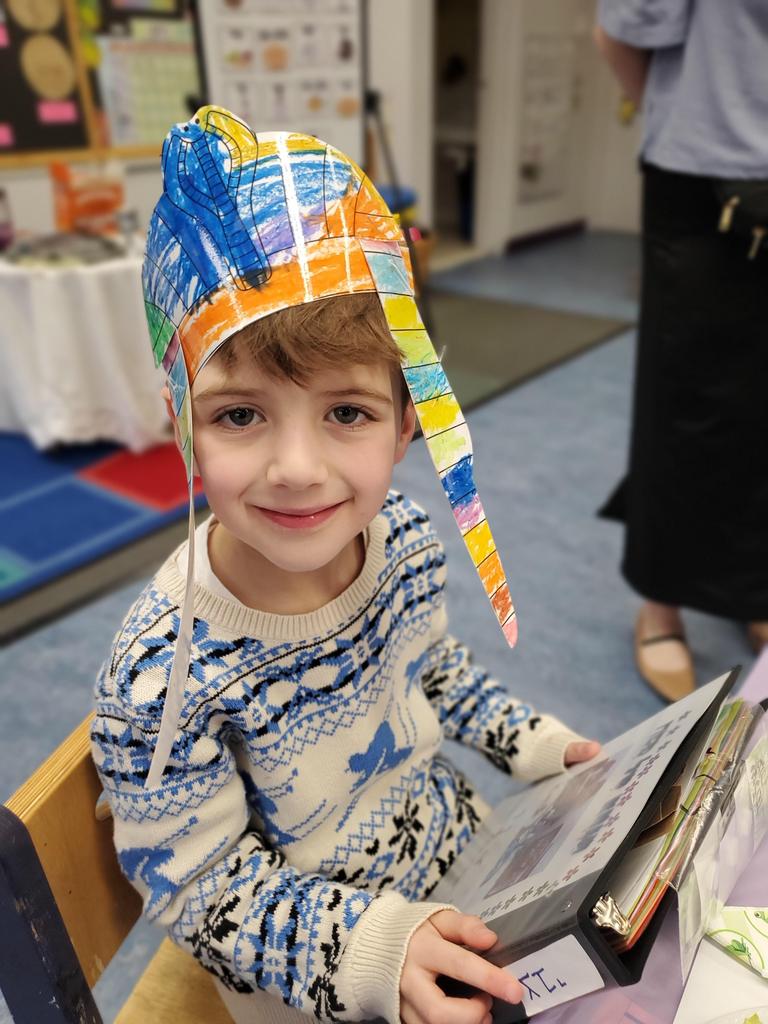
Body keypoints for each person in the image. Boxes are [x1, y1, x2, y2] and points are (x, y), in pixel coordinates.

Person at [91, 107, 600, 1024]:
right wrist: (375, 950)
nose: (296, 468)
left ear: (408, 425)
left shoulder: (401, 536)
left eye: (347, 413)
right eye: (240, 414)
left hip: (464, 866)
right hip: (326, 980)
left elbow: (435, 672)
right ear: (184, 426)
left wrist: (538, 745)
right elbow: (196, 886)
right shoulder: (160, 677)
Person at [595, 1, 768, 702]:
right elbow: (620, 32)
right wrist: (695, 119)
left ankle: (754, 587)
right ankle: (661, 602)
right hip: (703, 175)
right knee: (685, 401)